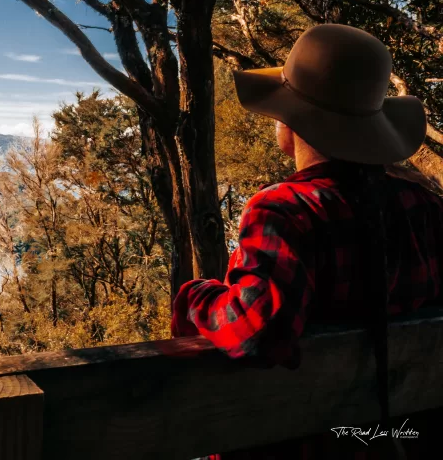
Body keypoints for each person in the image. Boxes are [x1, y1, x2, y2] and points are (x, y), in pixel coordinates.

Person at [172, 24, 443, 459]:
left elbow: (255, 333)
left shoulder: (286, 211)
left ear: (293, 121)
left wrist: (193, 297)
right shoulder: (424, 205)